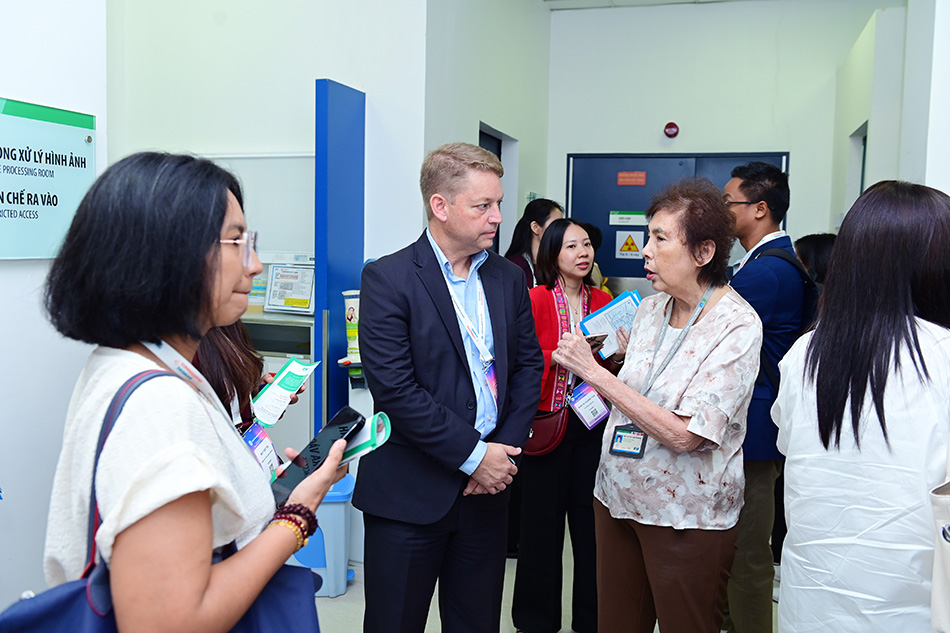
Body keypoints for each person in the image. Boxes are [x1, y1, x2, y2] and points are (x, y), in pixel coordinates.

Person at [42, 152, 347, 632]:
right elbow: (172, 621)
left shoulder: (131, 362)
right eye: (236, 241)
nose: (255, 265)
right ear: (169, 255)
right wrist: (296, 517)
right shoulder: (158, 402)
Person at [551, 178, 762, 633]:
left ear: (703, 252)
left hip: (685, 516)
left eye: (660, 239)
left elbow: (688, 434)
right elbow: (648, 384)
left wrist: (594, 373)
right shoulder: (650, 309)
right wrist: (618, 362)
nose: (645, 251)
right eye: (648, 237)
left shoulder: (737, 325)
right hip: (615, 498)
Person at [354, 142, 544, 633]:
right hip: (410, 494)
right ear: (440, 206)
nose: (497, 217)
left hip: (488, 493)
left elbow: (528, 367)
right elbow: (396, 390)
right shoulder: (389, 278)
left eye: (498, 203)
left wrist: (501, 454)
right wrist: (474, 456)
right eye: (483, 206)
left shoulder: (506, 278)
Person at [773, 180, 950, 633]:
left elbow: (790, 445)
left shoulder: (806, 353)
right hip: (911, 608)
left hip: (810, 603)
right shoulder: (942, 355)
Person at [511, 218, 622, 633]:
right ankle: (535, 620)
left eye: (587, 245)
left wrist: (616, 354)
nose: (583, 253)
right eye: (572, 246)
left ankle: (592, 620)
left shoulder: (604, 299)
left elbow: (612, 367)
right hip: (548, 424)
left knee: (593, 529)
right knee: (540, 529)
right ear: (553, 253)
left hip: (593, 424)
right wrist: (562, 355)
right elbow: (520, 359)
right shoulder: (535, 299)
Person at [721, 161, 805, 632]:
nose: (722, 211)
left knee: (747, 554)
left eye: (728, 202)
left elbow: (710, 332)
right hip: (754, 425)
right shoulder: (763, 263)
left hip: (753, 430)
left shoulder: (766, 272)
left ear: (759, 209)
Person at [504, 198, 564, 287]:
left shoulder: (557, 264)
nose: (560, 231)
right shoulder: (514, 266)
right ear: (535, 227)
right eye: (555, 225)